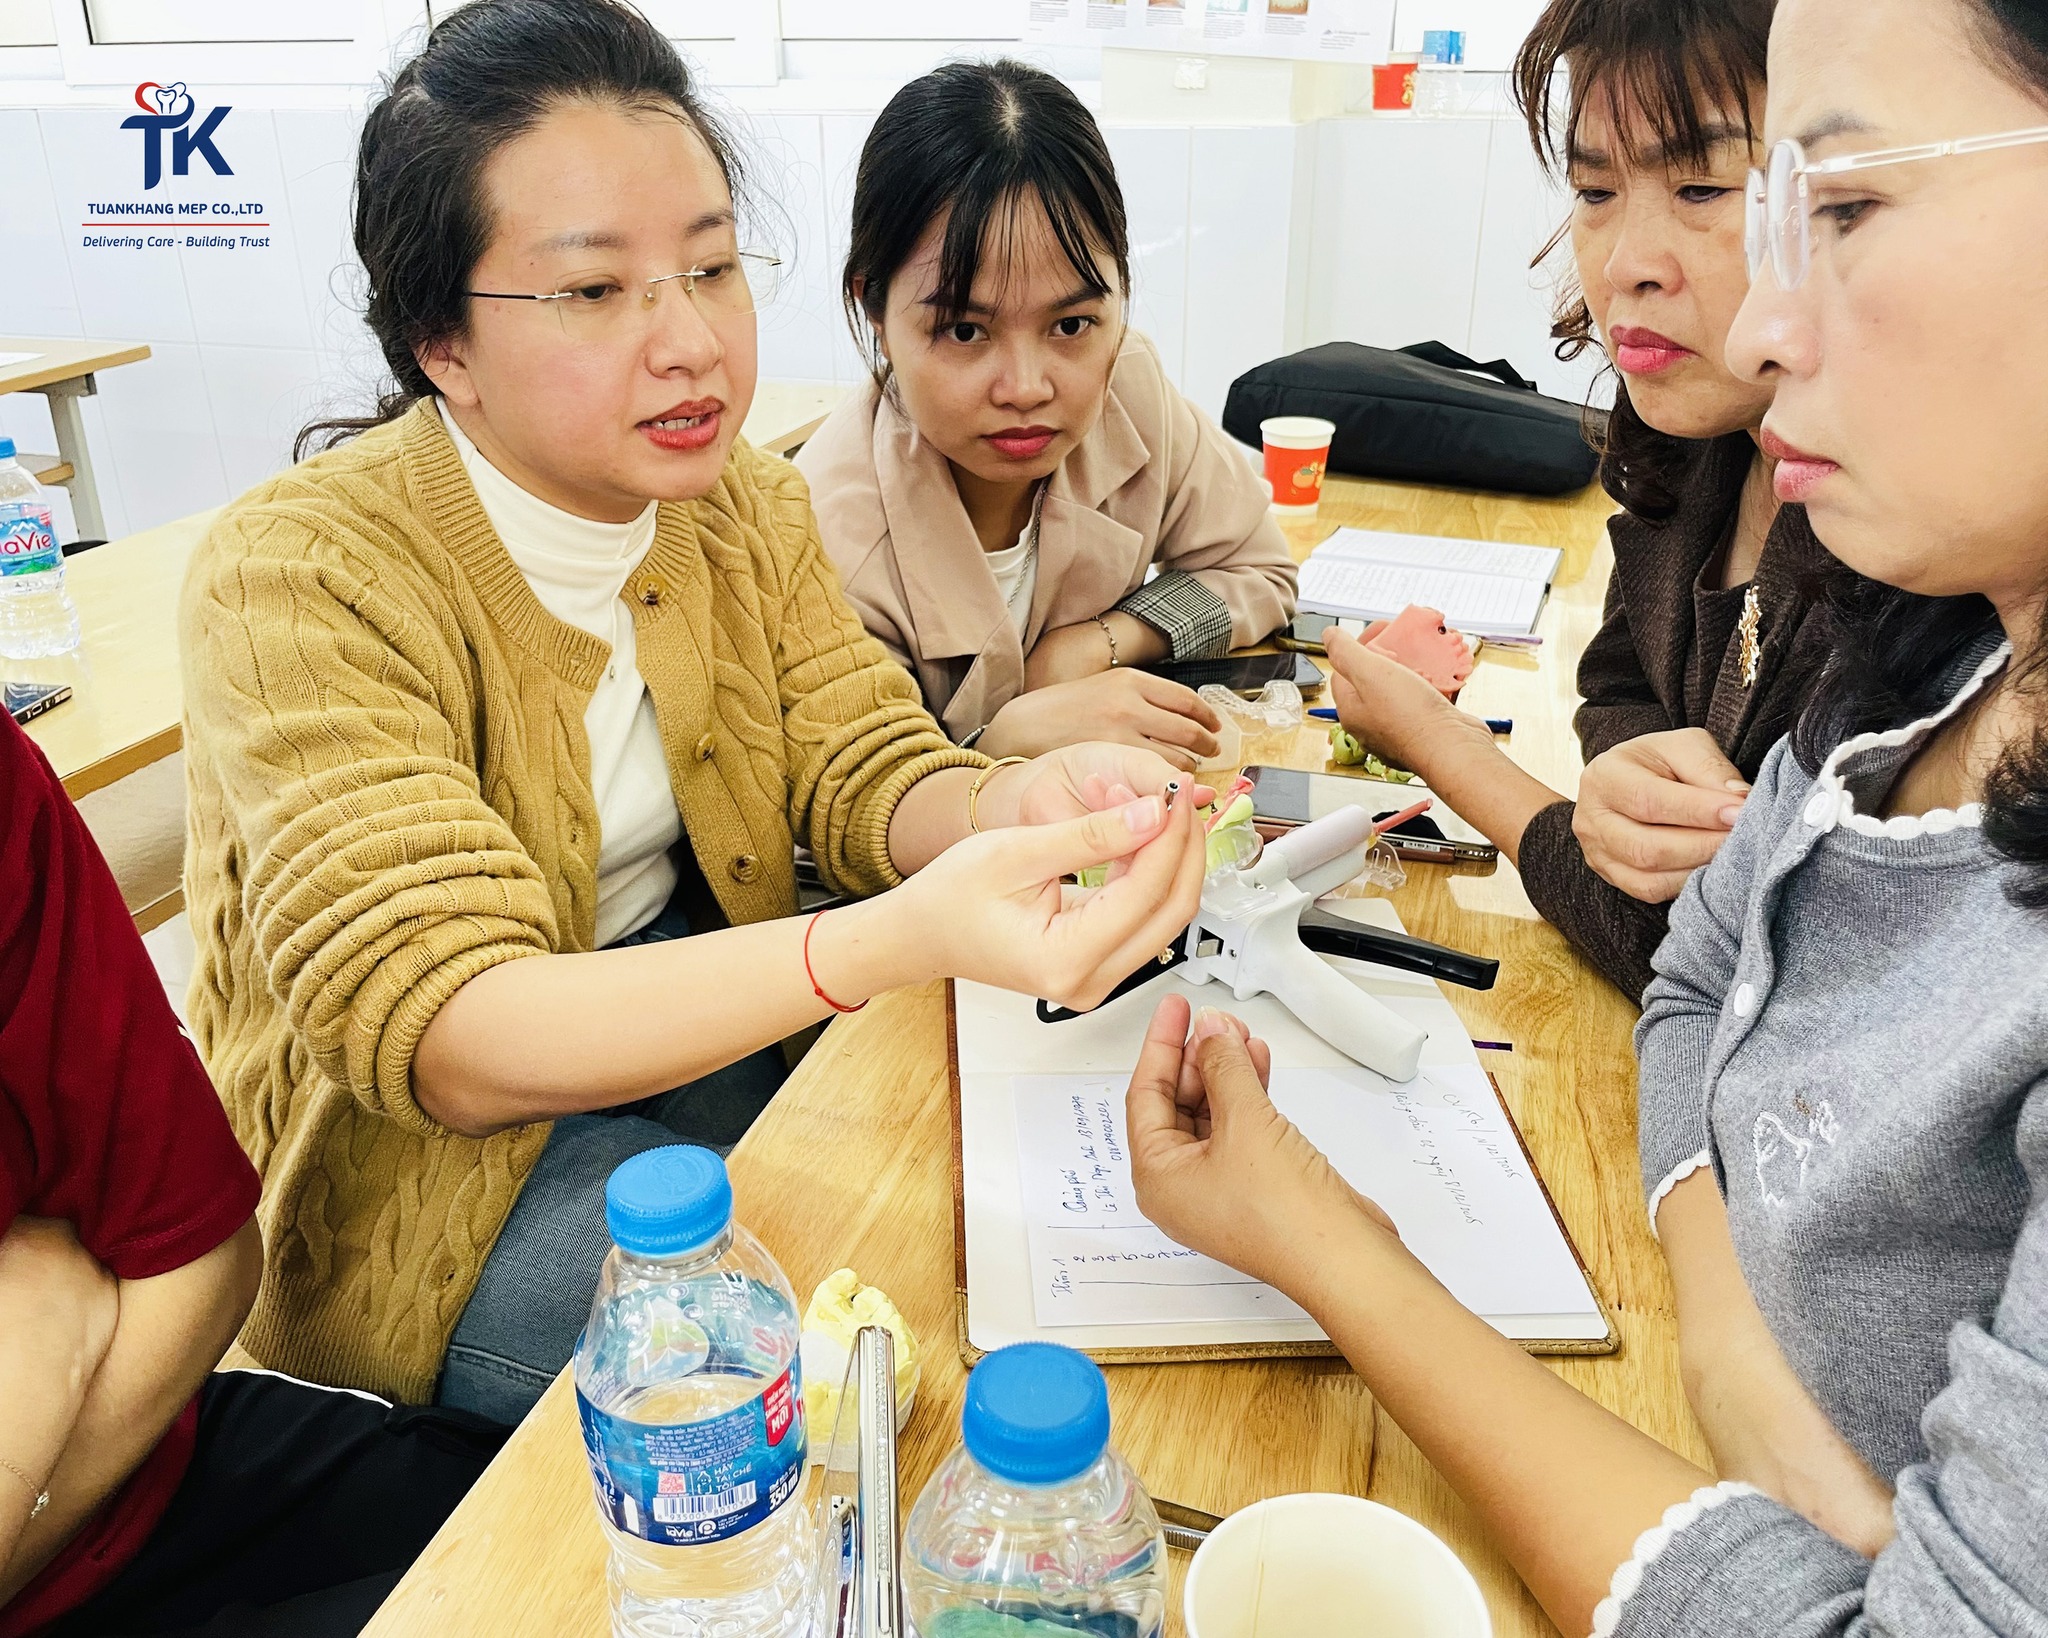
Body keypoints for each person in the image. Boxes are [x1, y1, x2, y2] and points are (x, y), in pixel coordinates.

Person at [1125, 0, 2048, 1628]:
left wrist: (1330, 1246)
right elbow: (1702, 966)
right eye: (1596, 188)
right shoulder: (1925, 658)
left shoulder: (1885, 565)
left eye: (1828, 205)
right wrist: (1737, 1361)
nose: (1758, 317)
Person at [180, 0, 1209, 1427]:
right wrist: (885, 937)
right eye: (594, 291)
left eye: (712, 269)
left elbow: (860, 761)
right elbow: (446, 1031)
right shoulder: (302, 570)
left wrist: (1014, 803)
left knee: (972, 1232)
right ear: (440, 340)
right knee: (830, 1380)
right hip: (428, 1175)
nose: (690, 345)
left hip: (695, 1025)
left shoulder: (742, 506)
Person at [1325, 0, 1852, 1003]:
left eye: (1702, 186)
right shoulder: (1689, 439)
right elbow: (1618, 682)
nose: (1622, 266)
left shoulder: (1899, 540)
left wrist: (1437, 744)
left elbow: (1700, 954)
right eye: (1595, 190)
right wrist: (1631, 798)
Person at [0, 713, 506, 1638]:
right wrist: (42, 1353)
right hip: (81, 1442)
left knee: (617, 1520)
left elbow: (196, 1255)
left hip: (140, 1457)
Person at [796, 59, 1298, 768]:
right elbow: (854, 798)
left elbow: (1259, 571)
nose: (1027, 388)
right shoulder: (821, 539)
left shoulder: (1129, 390)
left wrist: (1095, 644)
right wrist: (1001, 741)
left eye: (1070, 325)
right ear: (874, 310)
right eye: (965, 331)